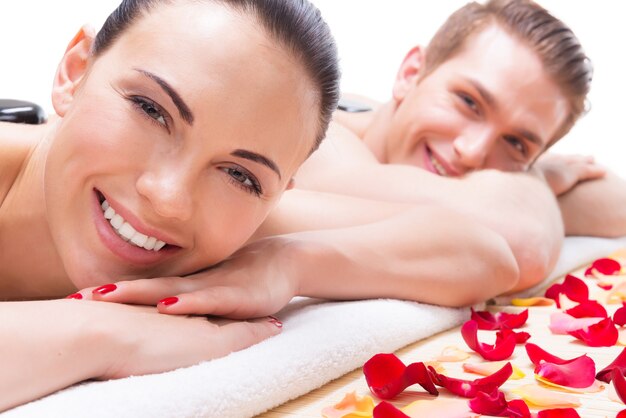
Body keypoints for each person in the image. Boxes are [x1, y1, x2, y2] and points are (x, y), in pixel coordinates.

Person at [76, 0, 598, 318]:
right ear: (411, 72)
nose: (471, 151)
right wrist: (536, 179)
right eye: (468, 102)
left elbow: (611, 201)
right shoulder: (314, 142)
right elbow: (521, 239)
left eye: (518, 145)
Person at [0, 0, 342, 411]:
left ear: (278, 195)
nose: (168, 199)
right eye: (150, 109)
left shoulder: (248, 224)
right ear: (76, 71)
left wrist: (287, 265)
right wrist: (99, 334)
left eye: (239, 175)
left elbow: (439, 235)